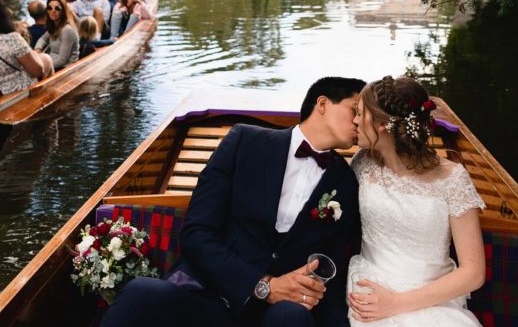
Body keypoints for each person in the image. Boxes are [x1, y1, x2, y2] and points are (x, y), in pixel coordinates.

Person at [101, 77, 367, 327]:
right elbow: (196, 233)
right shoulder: (245, 141)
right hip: (208, 293)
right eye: (355, 110)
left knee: (292, 318)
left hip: (275, 315)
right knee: (141, 292)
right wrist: (263, 285)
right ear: (322, 104)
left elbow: (334, 274)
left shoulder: (345, 183)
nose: (359, 122)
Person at [346, 76, 485, 326]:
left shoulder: (453, 179)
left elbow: (473, 273)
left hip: (434, 296)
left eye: (359, 114)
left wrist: (397, 303)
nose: (354, 121)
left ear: (381, 124)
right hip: (369, 284)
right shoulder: (362, 164)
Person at [35, 0, 79, 69]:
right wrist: (37, 50)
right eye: (50, 8)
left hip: (65, 69)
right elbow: (43, 38)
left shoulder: (67, 30)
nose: (53, 11)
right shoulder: (54, 26)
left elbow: (62, 60)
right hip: (52, 64)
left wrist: (41, 65)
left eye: (57, 8)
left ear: (63, 12)